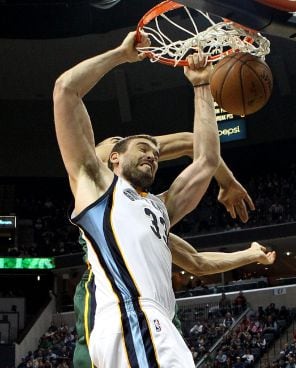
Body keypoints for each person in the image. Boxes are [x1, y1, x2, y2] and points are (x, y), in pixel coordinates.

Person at [54, 30, 275, 367]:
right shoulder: (98, 187)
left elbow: (204, 159)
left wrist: (202, 87)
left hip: (156, 323)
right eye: (144, 148)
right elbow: (66, 91)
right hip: (131, 318)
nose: (154, 155)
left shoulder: (158, 210)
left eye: (156, 154)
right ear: (114, 157)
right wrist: (120, 55)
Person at [73, 138, 276, 368]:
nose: (149, 154)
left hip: (156, 309)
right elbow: (191, 141)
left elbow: (196, 261)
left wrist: (251, 255)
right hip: (108, 292)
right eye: (119, 143)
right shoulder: (99, 190)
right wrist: (225, 179)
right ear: (114, 158)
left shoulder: (146, 214)